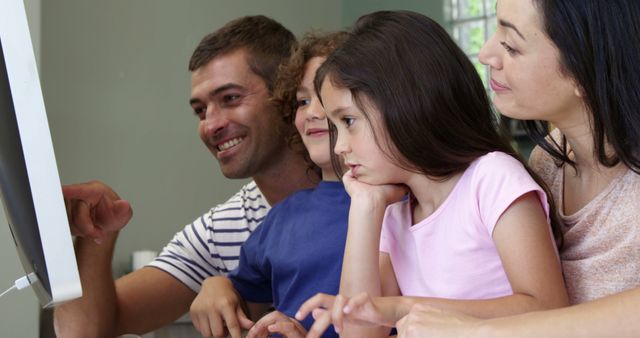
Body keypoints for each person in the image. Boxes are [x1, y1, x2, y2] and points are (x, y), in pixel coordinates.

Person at [295, 10, 569, 338]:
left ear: (407, 103)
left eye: (349, 121)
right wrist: (365, 209)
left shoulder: (491, 178)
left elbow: (548, 309)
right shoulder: (394, 212)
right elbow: (360, 333)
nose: (340, 146)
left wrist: (402, 307)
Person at [53, 15, 319, 337]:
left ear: (287, 94)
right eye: (200, 110)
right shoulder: (221, 230)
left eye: (230, 98)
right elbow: (86, 332)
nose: (210, 125)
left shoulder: (372, 190)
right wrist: (95, 233)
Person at [392, 0, 640, 337]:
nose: (486, 54)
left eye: (511, 45)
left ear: (585, 68)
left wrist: (479, 331)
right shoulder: (547, 160)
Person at [189, 31, 350, 338]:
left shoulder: (400, 205)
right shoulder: (283, 218)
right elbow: (242, 297)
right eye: (303, 100)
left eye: (330, 96)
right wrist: (217, 285)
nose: (314, 112)